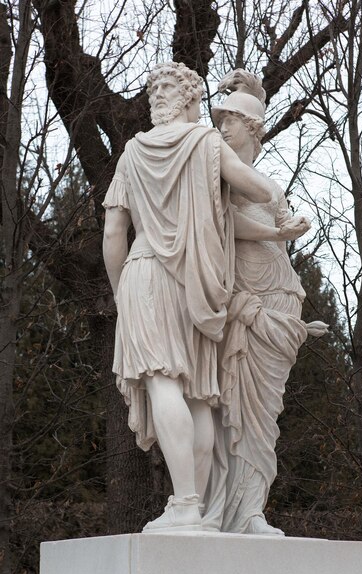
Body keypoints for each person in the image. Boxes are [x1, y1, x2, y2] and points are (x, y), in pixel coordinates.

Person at [102, 62, 280, 533]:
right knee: (199, 397)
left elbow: (113, 233)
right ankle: (194, 508)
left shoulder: (133, 153)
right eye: (154, 90)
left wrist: (122, 292)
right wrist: (274, 214)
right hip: (195, 284)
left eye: (162, 90)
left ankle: (184, 506)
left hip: (145, 275)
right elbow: (259, 186)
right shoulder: (208, 145)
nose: (156, 97)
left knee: (164, 383)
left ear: (187, 99)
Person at [204, 69, 327, 535]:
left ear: (252, 128)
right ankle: (230, 510)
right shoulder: (214, 176)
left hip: (282, 301)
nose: (222, 126)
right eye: (220, 119)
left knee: (265, 416)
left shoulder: (268, 183)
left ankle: (252, 507)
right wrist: (278, 229)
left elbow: (280, 228)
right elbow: (227, 223)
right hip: (243, 303)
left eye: (231, 119)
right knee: (234, 410)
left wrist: (291, 224)